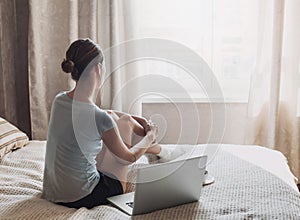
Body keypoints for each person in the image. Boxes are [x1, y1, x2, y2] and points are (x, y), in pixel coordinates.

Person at [41, 39, 179, 209]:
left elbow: (104, 114)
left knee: (124, 121)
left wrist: (131, 117)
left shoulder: (59, 100)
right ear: (99, 69)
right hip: (82, 196)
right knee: (125, 125)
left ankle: (160, 153)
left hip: (52, 191)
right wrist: (150, 136)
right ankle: (160, 152)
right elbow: (129, 157)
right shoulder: (98, 118)